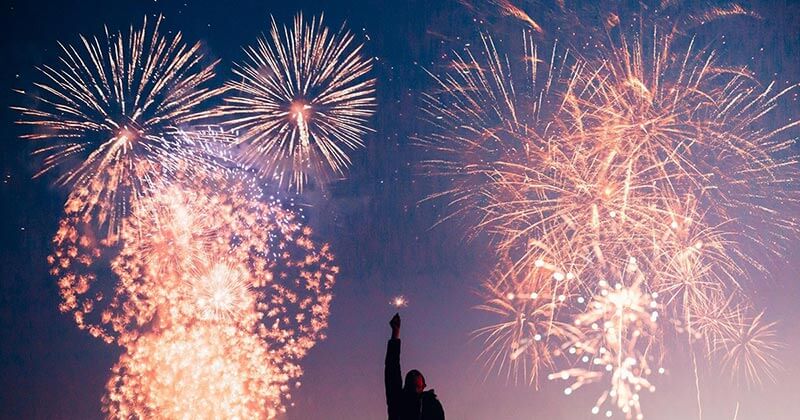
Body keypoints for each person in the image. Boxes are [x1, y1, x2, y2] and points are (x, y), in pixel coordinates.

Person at [385, 313, 445, 420]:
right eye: (411, 383)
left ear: (423, 386)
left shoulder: (431, 404)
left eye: (416, 385)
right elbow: (392, 369)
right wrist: (395, 333)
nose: (414, 375)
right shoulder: (397, 400)